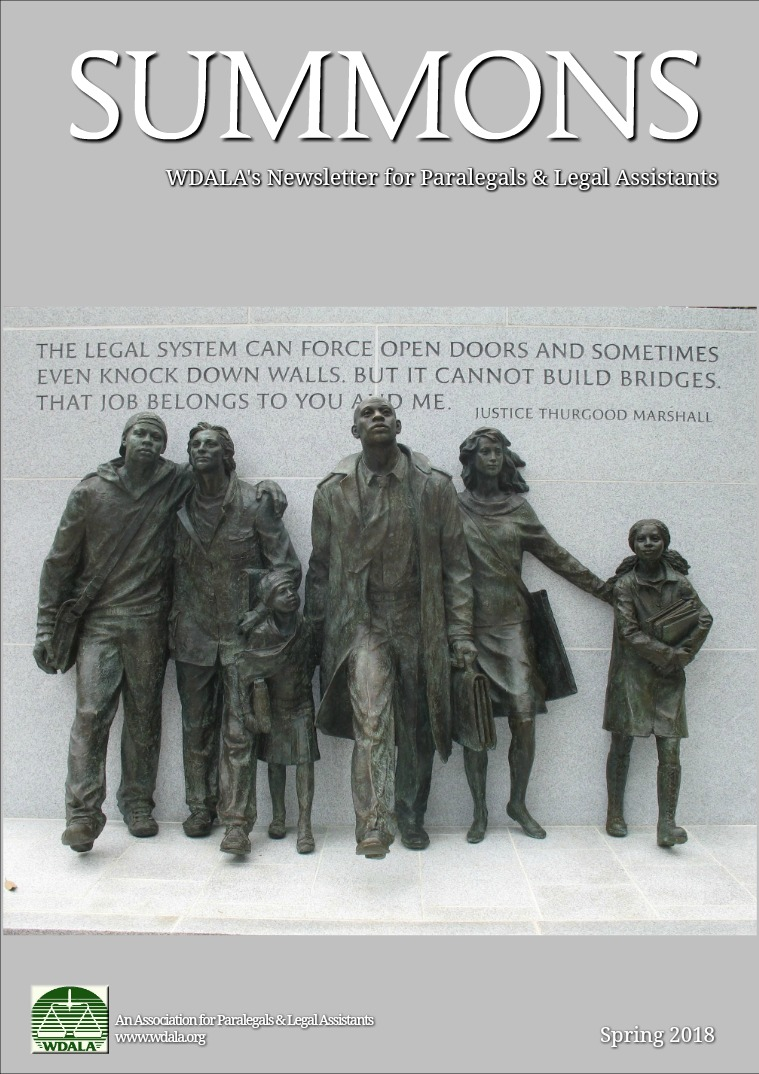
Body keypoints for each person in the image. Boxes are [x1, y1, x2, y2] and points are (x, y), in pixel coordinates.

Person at [305, 397, 476, 859]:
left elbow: (457, 568)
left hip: (419, 618)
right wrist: (312, 636)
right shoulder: (333, 491)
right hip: (363, 621)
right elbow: (320, 569)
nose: (377, 417)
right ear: (354, 431)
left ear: (398, 425)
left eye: (385, 412)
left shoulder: (433, 486)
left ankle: (411, 813)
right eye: (367, 413)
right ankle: (374, 824)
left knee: (417, 723)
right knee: (371, 719)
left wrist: (460, 633)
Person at [34, 413, 194, 852]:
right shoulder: (91, 491)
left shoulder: (174, 482)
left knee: (144, 714)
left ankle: (138, 802)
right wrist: (45, 627)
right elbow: (59, 563)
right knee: (91, 715)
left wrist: (267, 490)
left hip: (149, 621)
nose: (147, 440)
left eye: (156, 436)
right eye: (140, 433)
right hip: (99, 623)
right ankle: (82, 815)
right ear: (123, 441)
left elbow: (218, 472)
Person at [457, 427, 610, 842]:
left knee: (524, 717)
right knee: (475, 722)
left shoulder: (518, 509)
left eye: (497, 451)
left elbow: (555, 555)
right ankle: (479, 810)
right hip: (468, 628)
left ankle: (518, 802)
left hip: (513, 627)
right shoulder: (454, 508)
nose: (492, 457)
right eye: (484, 452)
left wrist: (603, 590)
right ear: (470, 461)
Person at [170, 422, 300, 856]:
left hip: (241, 638)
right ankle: (199, 807)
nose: (202, 449)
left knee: (239, 732)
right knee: (195, 726)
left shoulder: (253, 502)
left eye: (211, 444)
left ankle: (237, 824)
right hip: (192, 634)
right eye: (195, 444)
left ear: (227, 454)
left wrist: (261, 611)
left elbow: (287, 568)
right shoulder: (177, 502)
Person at [603, 519, 712, 847]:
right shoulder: (625, 585)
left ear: (664, 543)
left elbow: (704, 617)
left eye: (654, 538)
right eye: (642, 539)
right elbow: (628, 630)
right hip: (631, 675)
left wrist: (684, 654)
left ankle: (667, 824)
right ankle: (614, 812)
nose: (648, 543)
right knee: (622, 743)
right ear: (633, 545)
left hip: (668, 677)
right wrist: (668, 654)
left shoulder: (679, 582)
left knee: (671, 748)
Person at [235, 570, 319, 855]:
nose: (291, 595)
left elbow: (311, 661)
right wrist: (249, 712)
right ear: (269, 601)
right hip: (273, 706)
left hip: (301, 704)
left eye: (292, 589)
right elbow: (246, 673)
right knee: (275, 762)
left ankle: (305, 825)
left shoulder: (305, 628)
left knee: (305, 762)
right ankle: (278, 816)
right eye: (282, 592)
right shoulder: (261, 634)